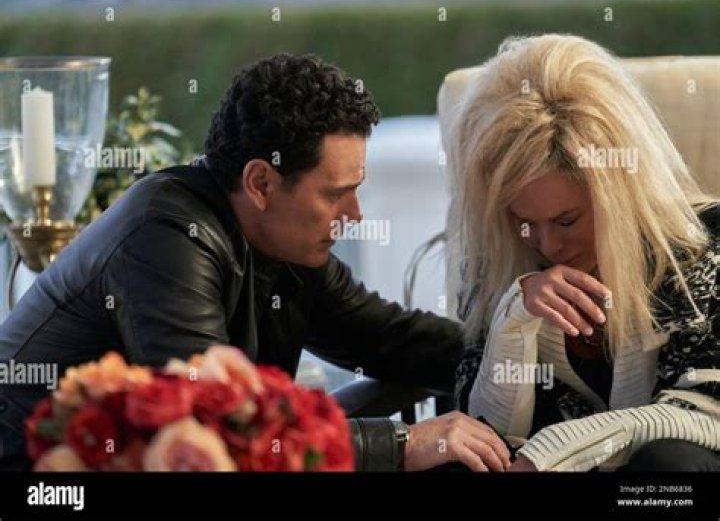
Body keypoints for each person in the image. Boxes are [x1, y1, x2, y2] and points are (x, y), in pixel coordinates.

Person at [0, 53, 510, 472]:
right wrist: (402, 443)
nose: (354, 214)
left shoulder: (285, 243)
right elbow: (219, 426)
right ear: (261, 183)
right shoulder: (166, 235)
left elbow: (391, 338)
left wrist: (524, 351)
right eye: (335, 194)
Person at [449, 34, 720, 471]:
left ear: (619, 195)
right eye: (524, 221)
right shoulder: (497, 260)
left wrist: (552, 453)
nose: (548, 246)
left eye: (567, 220)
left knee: (668, 462)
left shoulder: (702, 247)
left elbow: (708, 413)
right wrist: (515, 319)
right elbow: (484, 433)